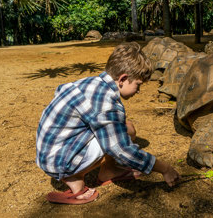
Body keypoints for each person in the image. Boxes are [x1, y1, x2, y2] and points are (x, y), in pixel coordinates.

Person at [36, 42, 180, 205]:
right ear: (123, 79)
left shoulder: (93, 82)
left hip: (49, 152)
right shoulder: (106, 103)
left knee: (126, 127)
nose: (138, 91)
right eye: (138, 85)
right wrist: (165, 169)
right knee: (117, 139)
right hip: (58, 161)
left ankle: (109, 170)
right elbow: (121, 150)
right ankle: (73, 179)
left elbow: (60, 90)